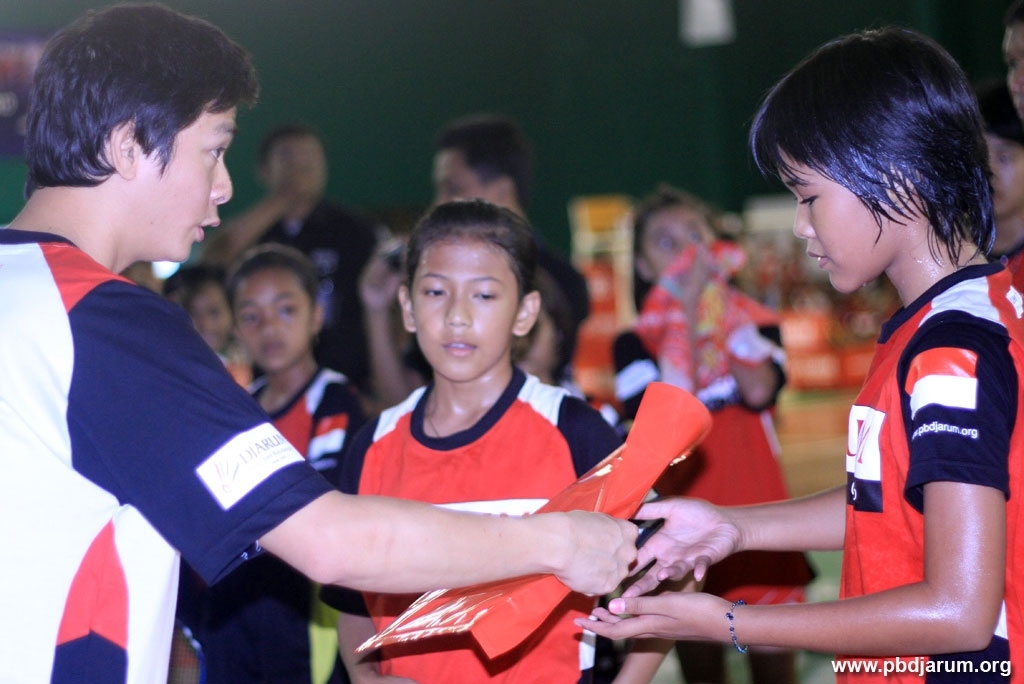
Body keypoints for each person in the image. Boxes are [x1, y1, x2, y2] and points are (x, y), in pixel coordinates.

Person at [0, 4, 638, 682]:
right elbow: (331, 542)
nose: (225, 186)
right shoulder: (102, 321)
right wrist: (558, 539)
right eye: (214, 149)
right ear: (129, 144)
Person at [581, 26, 1023, 684]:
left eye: (808, 196)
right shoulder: (947, 320)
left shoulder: (952, 350)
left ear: (899, 176)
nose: (799, 225)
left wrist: (730, 623)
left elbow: (958, 613)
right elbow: (894, 503)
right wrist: (732, 528)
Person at [321, 199, 643, 684]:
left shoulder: (576, 431)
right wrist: (366, 677)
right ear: (407, 307)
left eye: (485, 295)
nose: (457, 316)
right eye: (435, 292)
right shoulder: (372, 446)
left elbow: (670, 571)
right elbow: (350, 599)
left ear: (525, 312)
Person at [611, 184, 810, 684]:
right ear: (642, 265)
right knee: (702, 670)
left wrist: (715, 310)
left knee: (775, 667)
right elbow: (669, 418)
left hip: (763, 518)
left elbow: (760, 390)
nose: (685, 252)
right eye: (665, 242)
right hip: (682, 524)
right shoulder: (632, 343)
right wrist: (687, 306)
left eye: (694, 237)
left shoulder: (757, 321)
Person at [193, 243, 367, 684]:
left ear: (316, 315)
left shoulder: (334, 399)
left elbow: (320, 500)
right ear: (237, 327)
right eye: (251, 316)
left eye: (285, 310)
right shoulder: (236, 407)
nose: (269, 327)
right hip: (231, 609)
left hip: (300, 609)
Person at [359, 114, 593, 406]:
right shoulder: (432, 273)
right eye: (436, 292)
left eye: (453, 189)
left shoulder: (562, 282)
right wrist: (377, 310)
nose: (458, 315)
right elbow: (405, 406)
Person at [200, 121, 383, 396]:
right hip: (270, 380)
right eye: (287, 157)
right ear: (264, 170)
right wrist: (281, 199)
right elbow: (212, 261)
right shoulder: (255, 231)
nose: (300, 168)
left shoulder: (355, 230)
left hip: (350, 381)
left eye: (309, 158)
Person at [163, 263, 253, 386]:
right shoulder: (169, 370)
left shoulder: (249, 368)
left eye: (214, 312)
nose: (205, 325)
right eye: (193, 313)